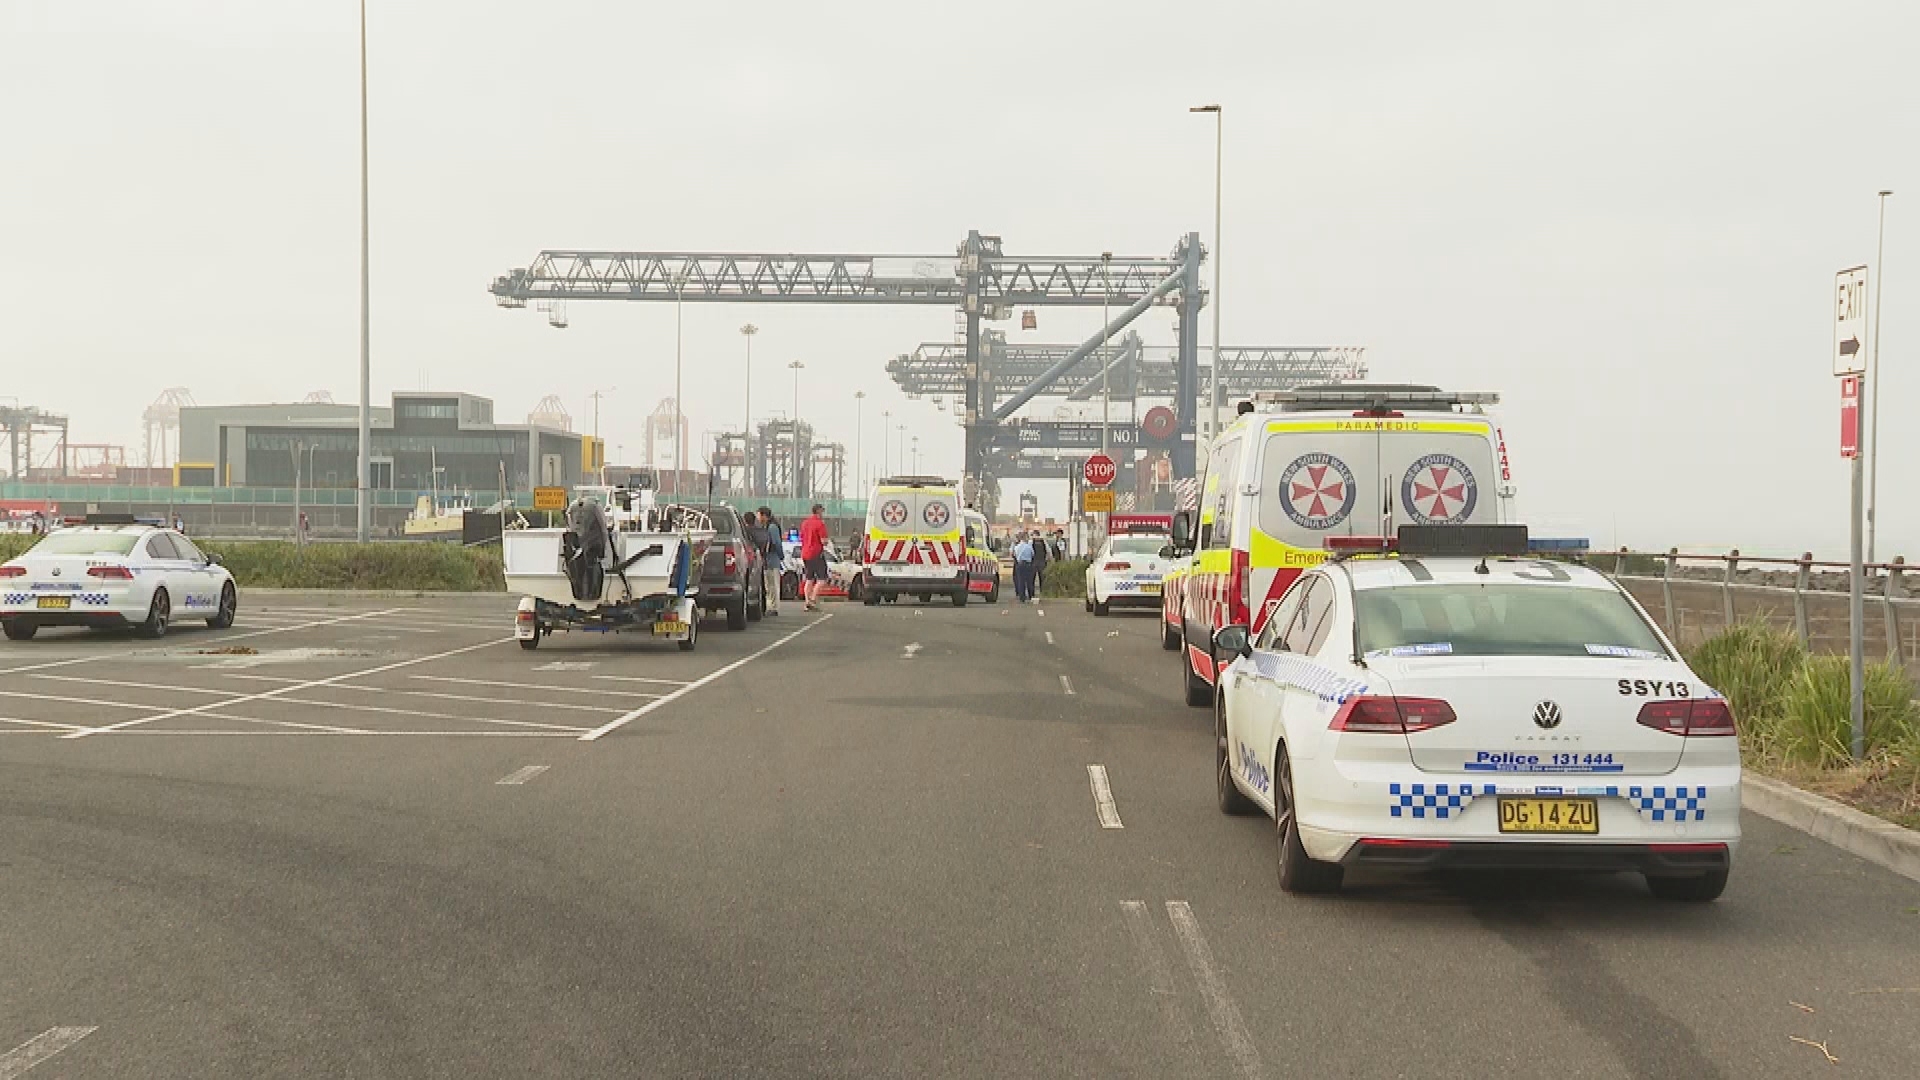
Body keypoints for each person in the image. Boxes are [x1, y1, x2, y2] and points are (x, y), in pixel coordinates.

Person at [799, 503, 830, 611]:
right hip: (816, 553)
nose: (823, 513)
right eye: (822, 511)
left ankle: (807, 602)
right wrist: (826, 541)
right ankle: (812, 599)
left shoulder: (805, 523)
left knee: (809, 578)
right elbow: (824, 541)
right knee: (822, 579)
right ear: (818, 511)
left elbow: (802, 537)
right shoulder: (820, 524)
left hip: (805, 553)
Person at [756, 506, 782, 615]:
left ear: (764, 515)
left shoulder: (772, 527)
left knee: (773, 585)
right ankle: (771, 606)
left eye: (758, 515)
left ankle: (774, 607)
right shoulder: (767, 526)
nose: (757, 518)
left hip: (772, 559)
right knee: (769, 585)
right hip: (768, 560)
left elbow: (777, 543)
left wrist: (781, 556)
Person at [1011, 531, 1035, 603]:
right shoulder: (1028, 546)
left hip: (1020, 564)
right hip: (1028, 564)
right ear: (1025, 538)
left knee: (1021, 581)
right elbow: (1032, 554)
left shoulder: (1017, 547)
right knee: (1029, 581)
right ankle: (1030, 595)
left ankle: (1022, 597)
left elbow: (1014, 555)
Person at [1029, 525, 1050, 597]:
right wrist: (1048, 559)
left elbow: (1030, 552)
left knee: (1032, 579)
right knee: (1043, 579)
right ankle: (1043, 592)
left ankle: (1032, 593)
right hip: (1042, 562)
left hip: (1034, 562)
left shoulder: (1031, 542)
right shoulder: (1043, 541)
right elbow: (1048, 551)